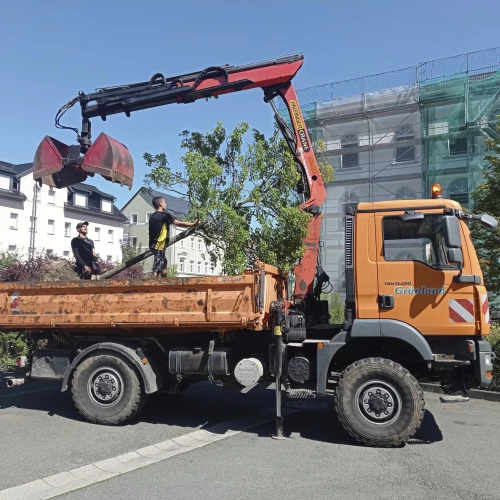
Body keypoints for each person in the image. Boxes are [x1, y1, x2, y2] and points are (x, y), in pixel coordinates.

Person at [149, 196, 199, 278]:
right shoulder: (164, 216)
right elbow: (179, 223)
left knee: (164, 262)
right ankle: (151, 287)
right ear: (160, 204)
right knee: (157, 267)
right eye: (164, 202)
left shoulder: (152, 216)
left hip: (152, 244)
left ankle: (164, 280)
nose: (166, 204)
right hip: (159, 244)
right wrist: (193, 224)